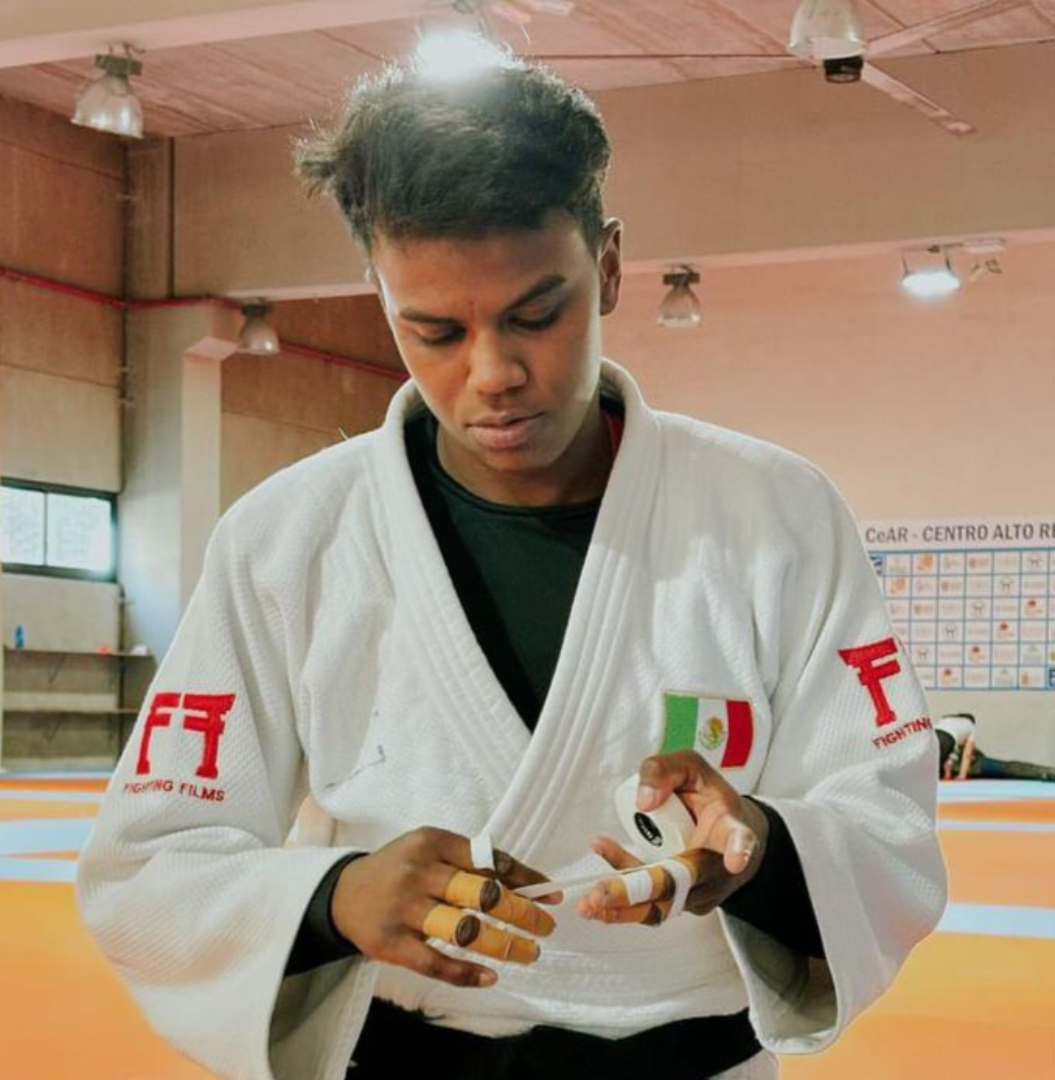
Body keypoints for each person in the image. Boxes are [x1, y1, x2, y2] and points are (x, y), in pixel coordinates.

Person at [76, 50, 947, 1080]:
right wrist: (333, 897)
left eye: (538, 314)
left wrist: (758, 847)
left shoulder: (776, 515)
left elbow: (887, 823)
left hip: (693, 1060)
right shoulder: (287, 538)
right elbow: (150, 860)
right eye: (434, 330)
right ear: (380, 292)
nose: (492, 373)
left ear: (608, 265)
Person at [937, 712, 1055, 781]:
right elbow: (966, 755)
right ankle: (1047, 772)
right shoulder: (965, 729)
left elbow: (966, 755)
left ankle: (1048, 772)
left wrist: (957, 774)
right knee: (1009, 768)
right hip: (970, 765)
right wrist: (961, 775)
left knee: (1010, 768)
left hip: (971, 764)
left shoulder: (945, 725)